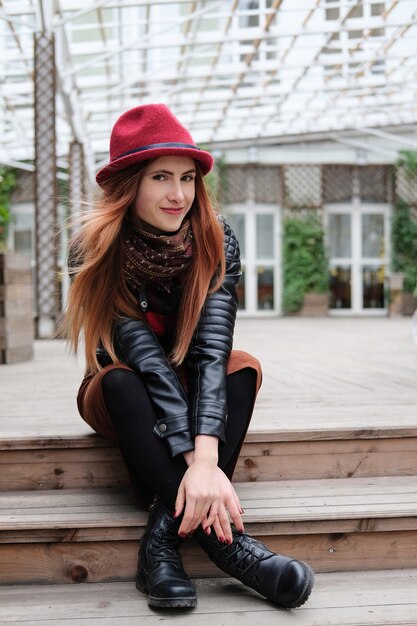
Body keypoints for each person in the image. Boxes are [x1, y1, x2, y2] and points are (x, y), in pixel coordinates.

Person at [63, 103, 314, 610]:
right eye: (160, 177)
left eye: (187, 178)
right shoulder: (94, 248)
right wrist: (201, 463)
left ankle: (161, 544)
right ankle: (230, 548)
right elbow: (149, 364)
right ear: (129, 185)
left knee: (241, 367)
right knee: (121, 380)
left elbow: (211, 350)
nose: (178, 194)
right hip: (125, 393)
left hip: (193, 384)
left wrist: (204, 459)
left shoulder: (216, 239)